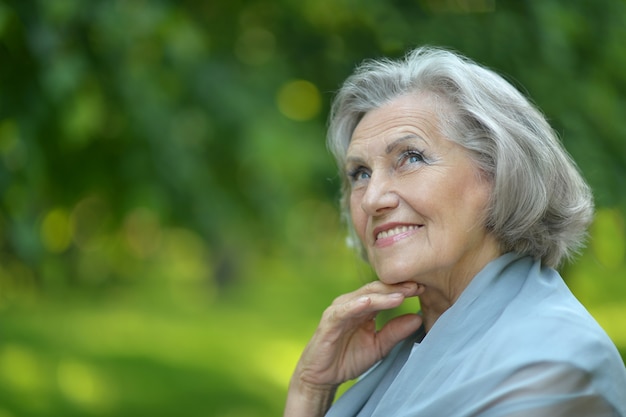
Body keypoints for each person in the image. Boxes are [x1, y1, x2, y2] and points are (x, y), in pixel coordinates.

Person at [284, 46, 626, 416]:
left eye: (410, 157)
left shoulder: (554, 366)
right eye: (360, 174)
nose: (371, 199)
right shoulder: (407, 356)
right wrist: (310, 390)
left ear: (499, 174)